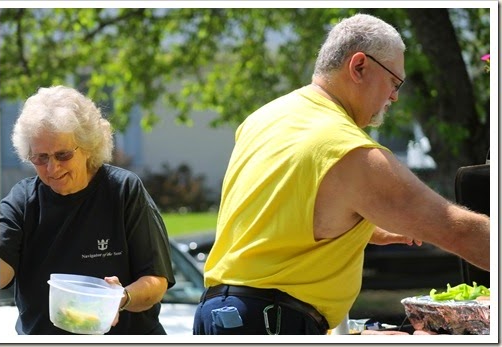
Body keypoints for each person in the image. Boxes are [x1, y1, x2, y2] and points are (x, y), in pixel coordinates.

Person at [193, 13, 490, 335]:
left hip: (218, 313)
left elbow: (281, 216)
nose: (395, 96)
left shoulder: (266, 118)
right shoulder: (345, 148)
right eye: (394, 81)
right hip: (271, 322)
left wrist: (367, 229)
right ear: (359, 66)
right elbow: (455, 229)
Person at [0, 85, 176, 335]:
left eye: (62, 155)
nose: (52, 168)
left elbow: (156, 282)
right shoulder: (22, 200)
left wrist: (121, 298)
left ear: (88, 147)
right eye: (40, 158)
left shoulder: (123, 190)